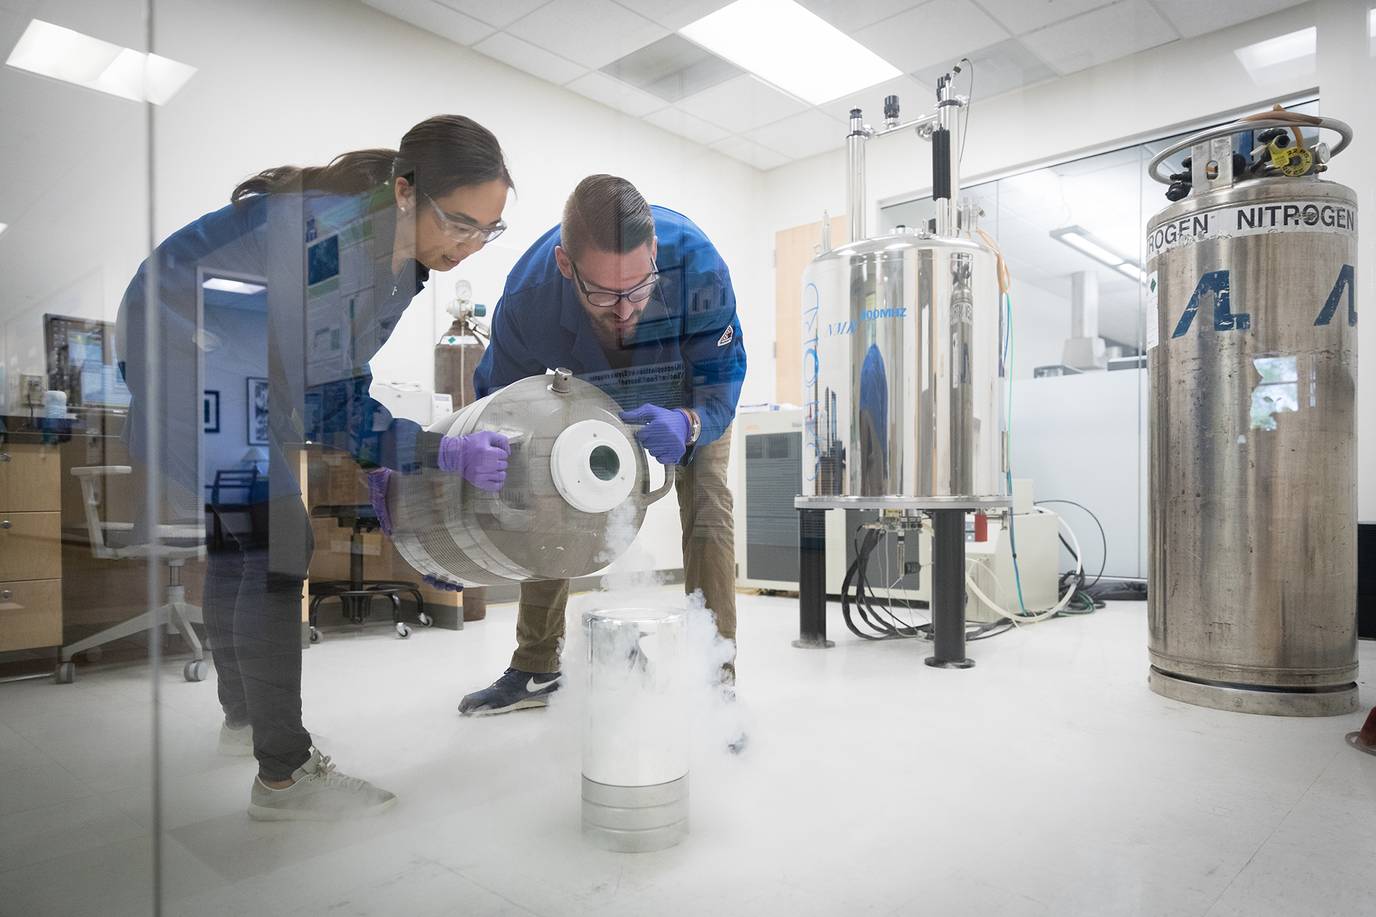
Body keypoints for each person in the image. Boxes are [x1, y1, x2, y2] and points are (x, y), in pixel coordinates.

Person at [117, 115, 514, 820]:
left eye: (488, 230)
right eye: (459, 221)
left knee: (243, 546)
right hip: (187, 353)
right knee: (277, 543)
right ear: (405, 191)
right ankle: (285, 776)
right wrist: (429, 451)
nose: (470, 244)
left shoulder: (398, 260)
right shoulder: (338, 240)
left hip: (208, 357)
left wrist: (388, 460)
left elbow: (337, 379)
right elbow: (331, 403)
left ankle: (248, 723)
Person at [459, 174, 746, 717]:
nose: (623, 310)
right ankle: (536, 667)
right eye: (604, 295)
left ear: (655, 253)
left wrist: (689, 424)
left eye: (638, 290)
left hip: (684, 396)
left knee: (708, 502)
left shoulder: (699, 266)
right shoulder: (528, 299)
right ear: (567, 265)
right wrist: (495, 465)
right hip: (587, 391)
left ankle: (716, 685)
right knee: (545, 491)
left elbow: (723, 377)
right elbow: (502, 403)